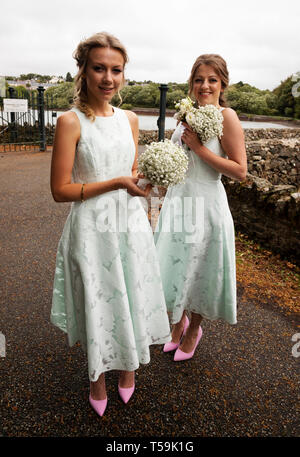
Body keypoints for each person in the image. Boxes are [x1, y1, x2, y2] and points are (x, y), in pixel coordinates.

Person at [50, 32, 170, 416]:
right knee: (98, 298)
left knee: (130, 292)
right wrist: (117, 182)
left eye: (116, 70)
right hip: (90, 226)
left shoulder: (131, 119)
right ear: (83, 71)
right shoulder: (70, 122)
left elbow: (131, 172)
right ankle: (96, 377)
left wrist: (146, 180)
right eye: (99, 68)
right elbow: (60, 190)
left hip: (130, 222)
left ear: (123, 74)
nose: (108, 78)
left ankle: (129, 369)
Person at [154, 54, 247, 361]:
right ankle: (176, 323)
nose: (204, 85)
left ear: (222, 84)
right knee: (172, 263)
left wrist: (200, 149)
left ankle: (193, 329)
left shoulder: (227, 116)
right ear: (191, 83)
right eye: (198, 79)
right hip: (178, 200)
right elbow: (175, 156)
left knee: (199, 268)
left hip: (207, 204)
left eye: (212, 80)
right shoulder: (185, 114)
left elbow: (239, 171)